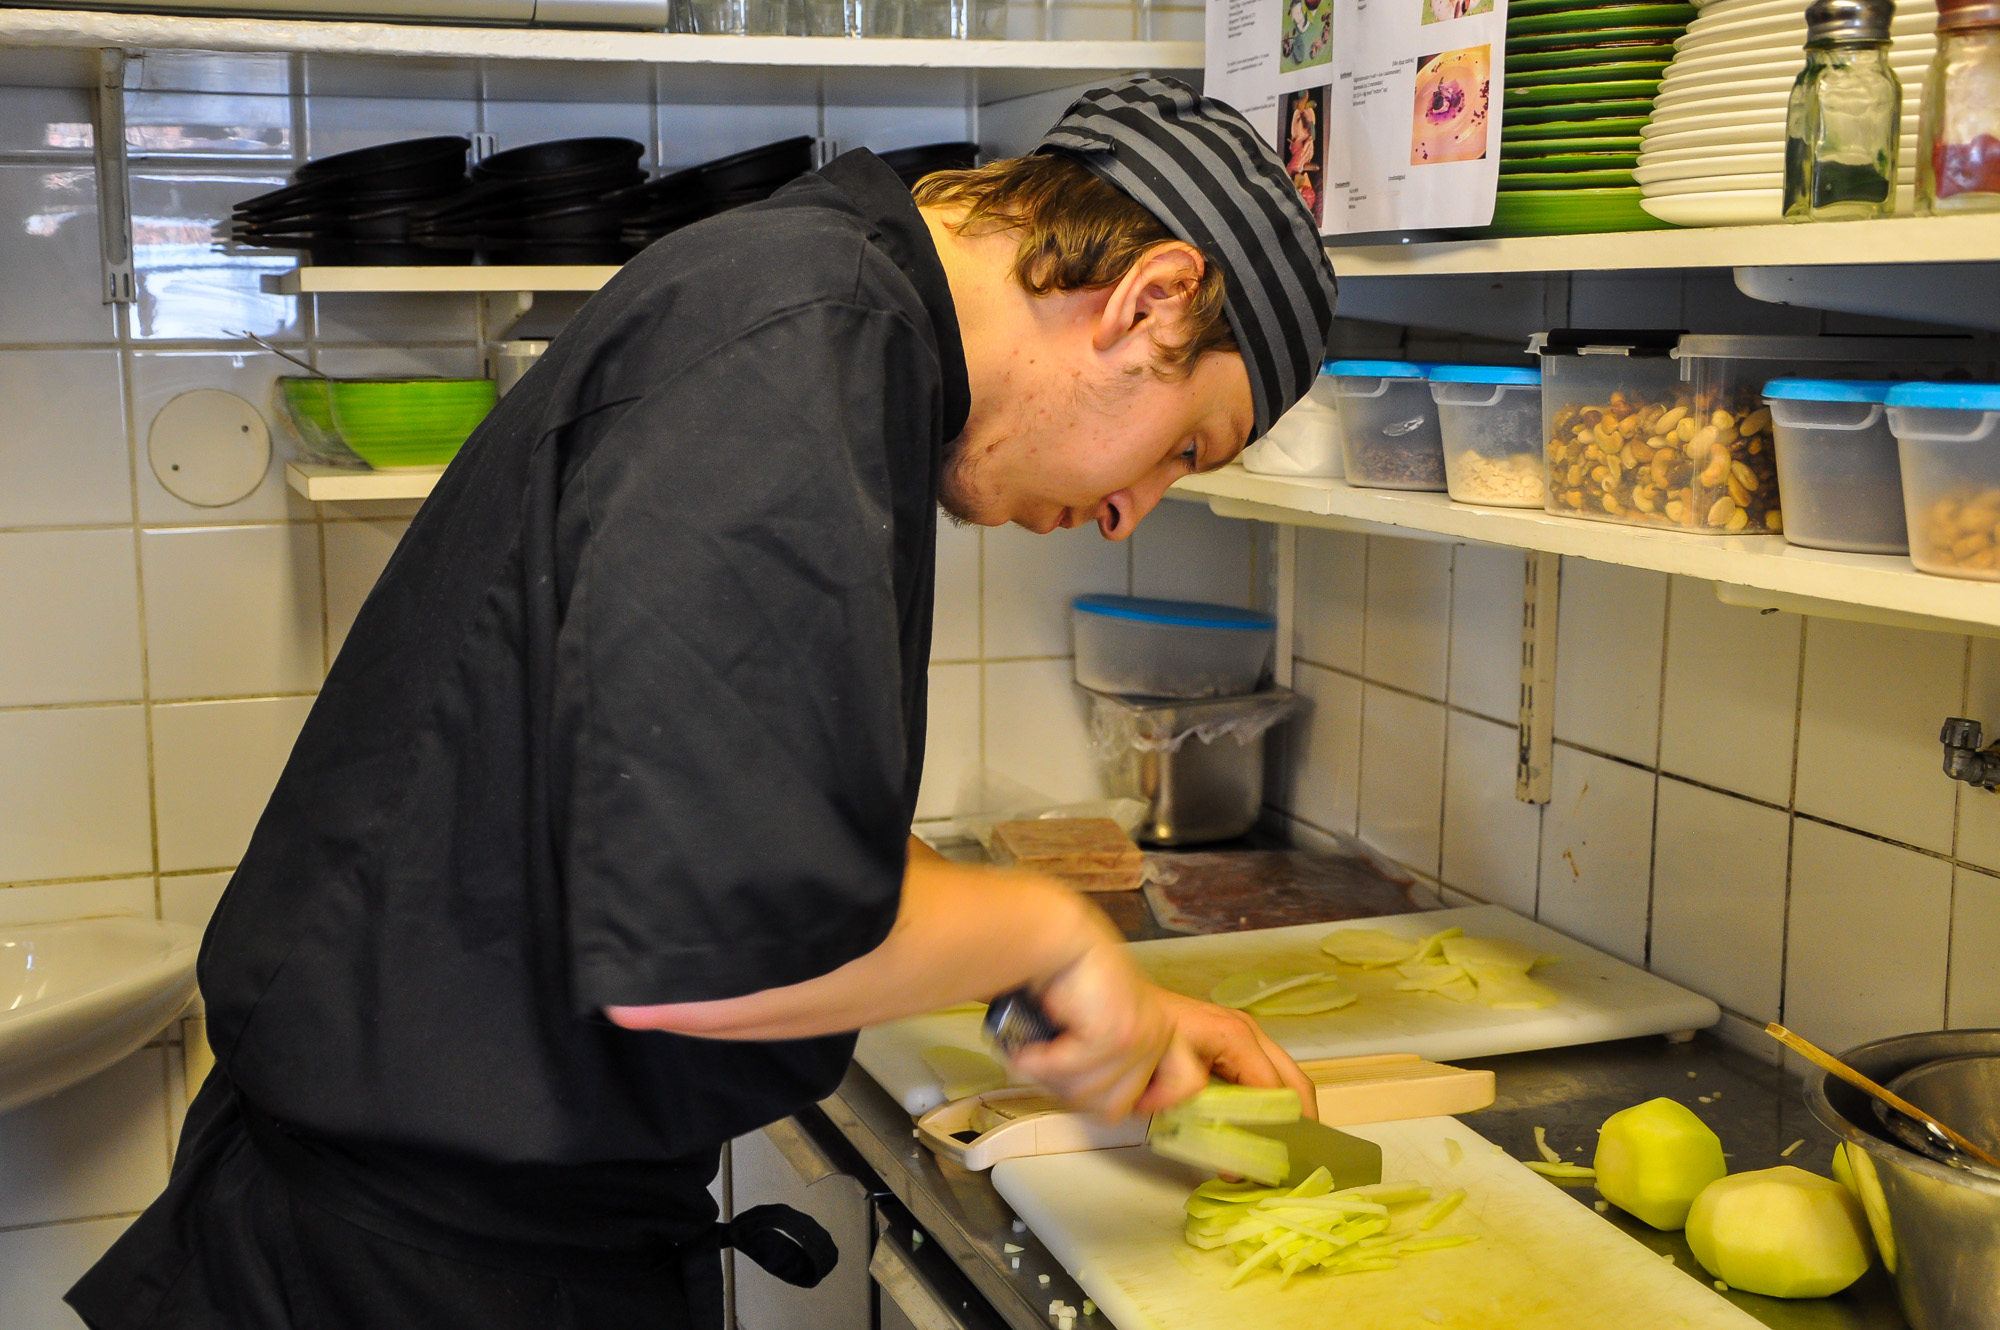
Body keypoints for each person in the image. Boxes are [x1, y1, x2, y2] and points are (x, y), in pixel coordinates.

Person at [70, 77, 1339, 1330]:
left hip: (445, 1230)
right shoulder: (798, 343)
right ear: (1150, 296)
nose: (1130, 512)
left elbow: (763, 801)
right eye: (1185, 445)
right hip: (405, 1269)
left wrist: (1090, 998)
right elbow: (723, 938)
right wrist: (1050, 935)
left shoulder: (834, 326)